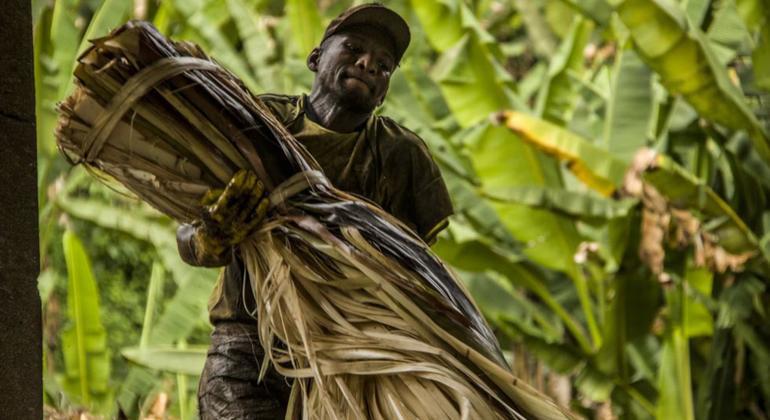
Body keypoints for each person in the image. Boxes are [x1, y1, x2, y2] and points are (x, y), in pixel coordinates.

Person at [176, 3, 454, 418]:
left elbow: (421, 273)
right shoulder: (257, 121)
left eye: (383, 64)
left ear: (386, 88)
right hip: (249, 344)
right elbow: (186, 232)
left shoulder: (401, 157)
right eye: (354, 48)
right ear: (315, 57)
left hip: (353, 357)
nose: (368, 64)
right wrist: (209, 238)